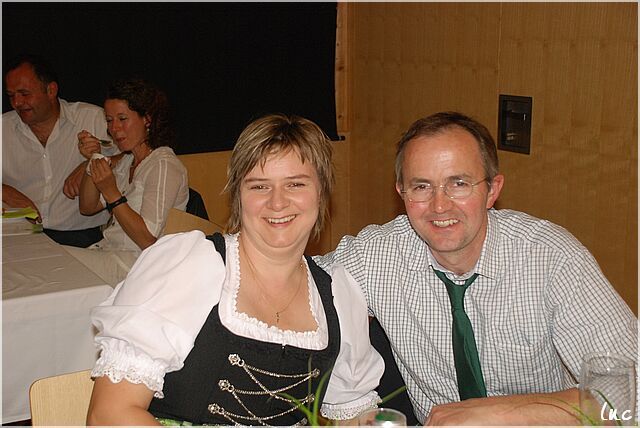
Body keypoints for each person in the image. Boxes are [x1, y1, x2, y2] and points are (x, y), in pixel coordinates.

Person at [314, 111, 638, 425]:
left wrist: (495, 413)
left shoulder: (552, 259)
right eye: (422, 186)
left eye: (459, 183)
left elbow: (631, 394)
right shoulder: (377, 254)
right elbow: (297, 284)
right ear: (401, 192)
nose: (440, 205)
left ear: (492, 190)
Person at [86, 113, 384, 425]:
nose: (277, 202)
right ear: (238, 196)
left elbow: (354, 412)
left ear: (321, 193)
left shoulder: (336, 294)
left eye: (295, 184)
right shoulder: (189, 265)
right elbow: (109, 415)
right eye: (260, 186)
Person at [67, 77, 189, 286]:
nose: (114, 128)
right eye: (109, 120)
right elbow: (87, 207)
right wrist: (94, 159)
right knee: (48, 258)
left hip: (139, 265)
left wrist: (112, 193)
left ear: (147, 119)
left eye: (122, 118)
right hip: (110, 253)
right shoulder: (127, 161)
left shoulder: (163, 165)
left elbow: (148, 240)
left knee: (55, 262)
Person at [2, 53, 110, 247]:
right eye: (11, 96)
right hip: (19, 235)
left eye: (24, 94)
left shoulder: (92, 118)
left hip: (82, 236)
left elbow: (135, 156)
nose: (17, 102)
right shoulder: (4, 128)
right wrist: (5, 192)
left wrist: (89, 165)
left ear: (51, 90)